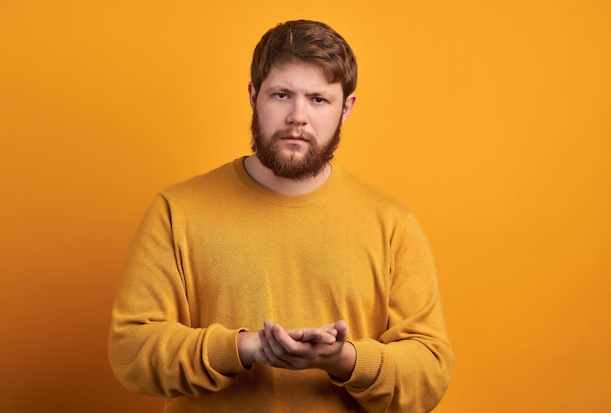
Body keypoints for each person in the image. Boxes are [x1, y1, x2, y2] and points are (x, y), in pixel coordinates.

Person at [108, 19, 453, 413]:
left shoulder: (392, 225)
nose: (297, 117)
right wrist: (245, 347)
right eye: (282, 95)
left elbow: (430, 373)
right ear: (254, 96)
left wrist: (344, 360)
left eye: (318, 99)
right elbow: (131, 352)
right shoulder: (176, 211)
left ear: (347, 108)